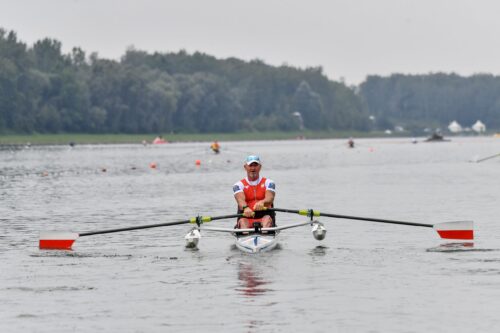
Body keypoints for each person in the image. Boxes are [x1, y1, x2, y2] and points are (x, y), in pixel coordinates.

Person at [233, 155, 276, 229]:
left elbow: (270, 198)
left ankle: (265, 235)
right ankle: (245, 235)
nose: (253, 168)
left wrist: (263, 202)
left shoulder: (269, 182)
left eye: (255, 165)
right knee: (243, 221)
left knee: (266, 220)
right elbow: (240, 200)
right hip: (246, 218)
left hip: (265, 218)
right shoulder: (238, 185)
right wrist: (245, 208)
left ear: (260, 167)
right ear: (245, 167)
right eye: (250, 165)